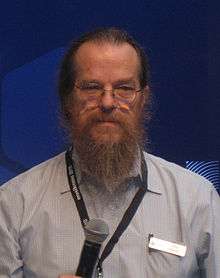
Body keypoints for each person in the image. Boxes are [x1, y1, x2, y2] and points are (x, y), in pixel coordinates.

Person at [0, 28, 219, 278]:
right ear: (68, 100)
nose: (107, 102)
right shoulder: (13, 204)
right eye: (91, 87)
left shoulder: (197, 200)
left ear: (143, 100)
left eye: (124, 88)